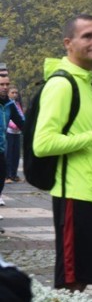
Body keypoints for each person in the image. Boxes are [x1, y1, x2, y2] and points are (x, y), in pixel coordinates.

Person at [34, 14, 92, 292]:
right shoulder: (62, 84)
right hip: (75, 193)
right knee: (71, 282)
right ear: (68, 43)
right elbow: (43, 143)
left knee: (81, 280)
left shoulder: (84, 82)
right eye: (88, 36)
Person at [0, 69, 25, 205]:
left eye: (7, 84)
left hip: (2, 146)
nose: (5, 87)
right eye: (1, 84)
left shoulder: (10, 104)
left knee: (2, 174)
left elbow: (22, 123)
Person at [5, 85, 24, 183]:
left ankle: (14, 174)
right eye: (12, 92)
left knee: (16, 155)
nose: (15, 94)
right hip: (9, 132)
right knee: (8, 155)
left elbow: (21, 115)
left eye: (16, 92)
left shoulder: (17, 104)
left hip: (17, 132)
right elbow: (8, 117)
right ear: (8, 93)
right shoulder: (7, 104)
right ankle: (7, 175)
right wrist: (14, 125)